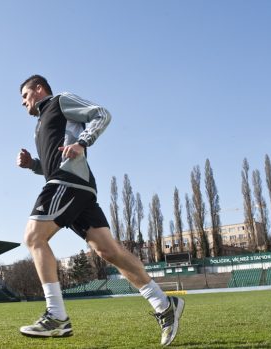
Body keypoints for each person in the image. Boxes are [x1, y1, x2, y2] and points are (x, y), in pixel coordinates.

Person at [16, 75, 184, 346]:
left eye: (25, 95)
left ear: (39, 89)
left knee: (34, 237)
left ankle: (57, 315)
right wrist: (33, 165)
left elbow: (101, 114)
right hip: (70, 184)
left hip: (69, 182)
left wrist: (83, 142)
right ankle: (164, 304)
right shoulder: (41, 124)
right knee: (109, 251)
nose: (23, 102)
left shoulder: (60, 101)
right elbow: (54, 160)